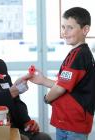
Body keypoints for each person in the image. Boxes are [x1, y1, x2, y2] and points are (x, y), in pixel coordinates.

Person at [27, 7, 95, 140]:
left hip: (74, 124)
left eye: (70, 28)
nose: (64, 32)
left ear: (85, 29)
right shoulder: (76, 53)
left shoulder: (80, 56)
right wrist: (43, 80)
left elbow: (60, 88)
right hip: (66, 122)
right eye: (63, 27)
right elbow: (65, 84)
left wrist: (47, 98)